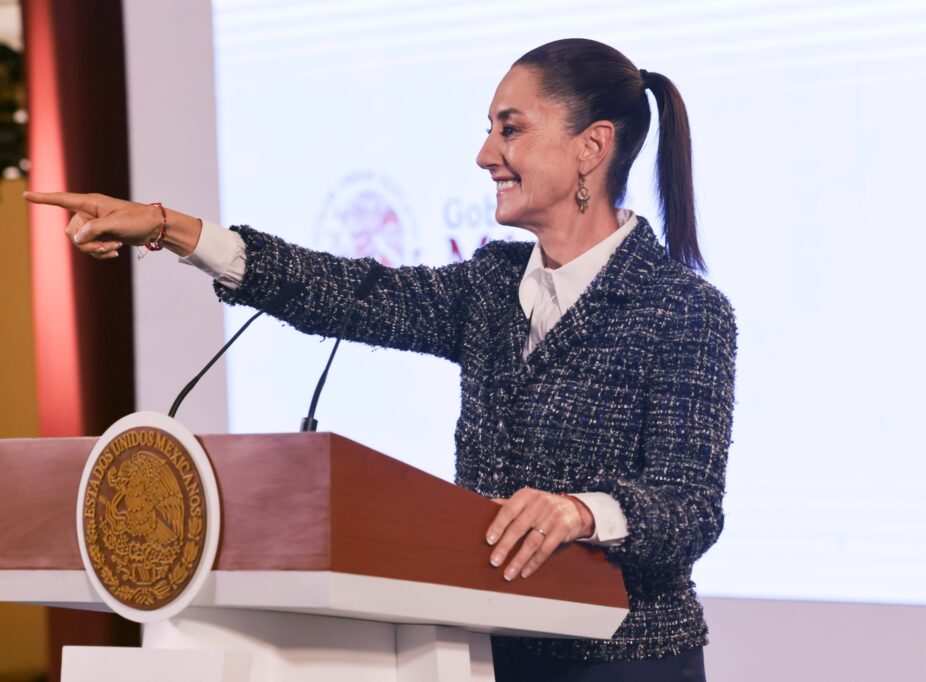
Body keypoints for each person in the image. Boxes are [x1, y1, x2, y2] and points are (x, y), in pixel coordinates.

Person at [26, 38, 736, 682]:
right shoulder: (491, 284)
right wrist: (167, 226)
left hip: (628, 662)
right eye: (490, 130)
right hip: (489, 655)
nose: (487, 154)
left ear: (592, 146)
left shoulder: (683, 309)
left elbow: (690, 508)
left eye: (509, 128)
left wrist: (581, 512)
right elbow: (349, 294)